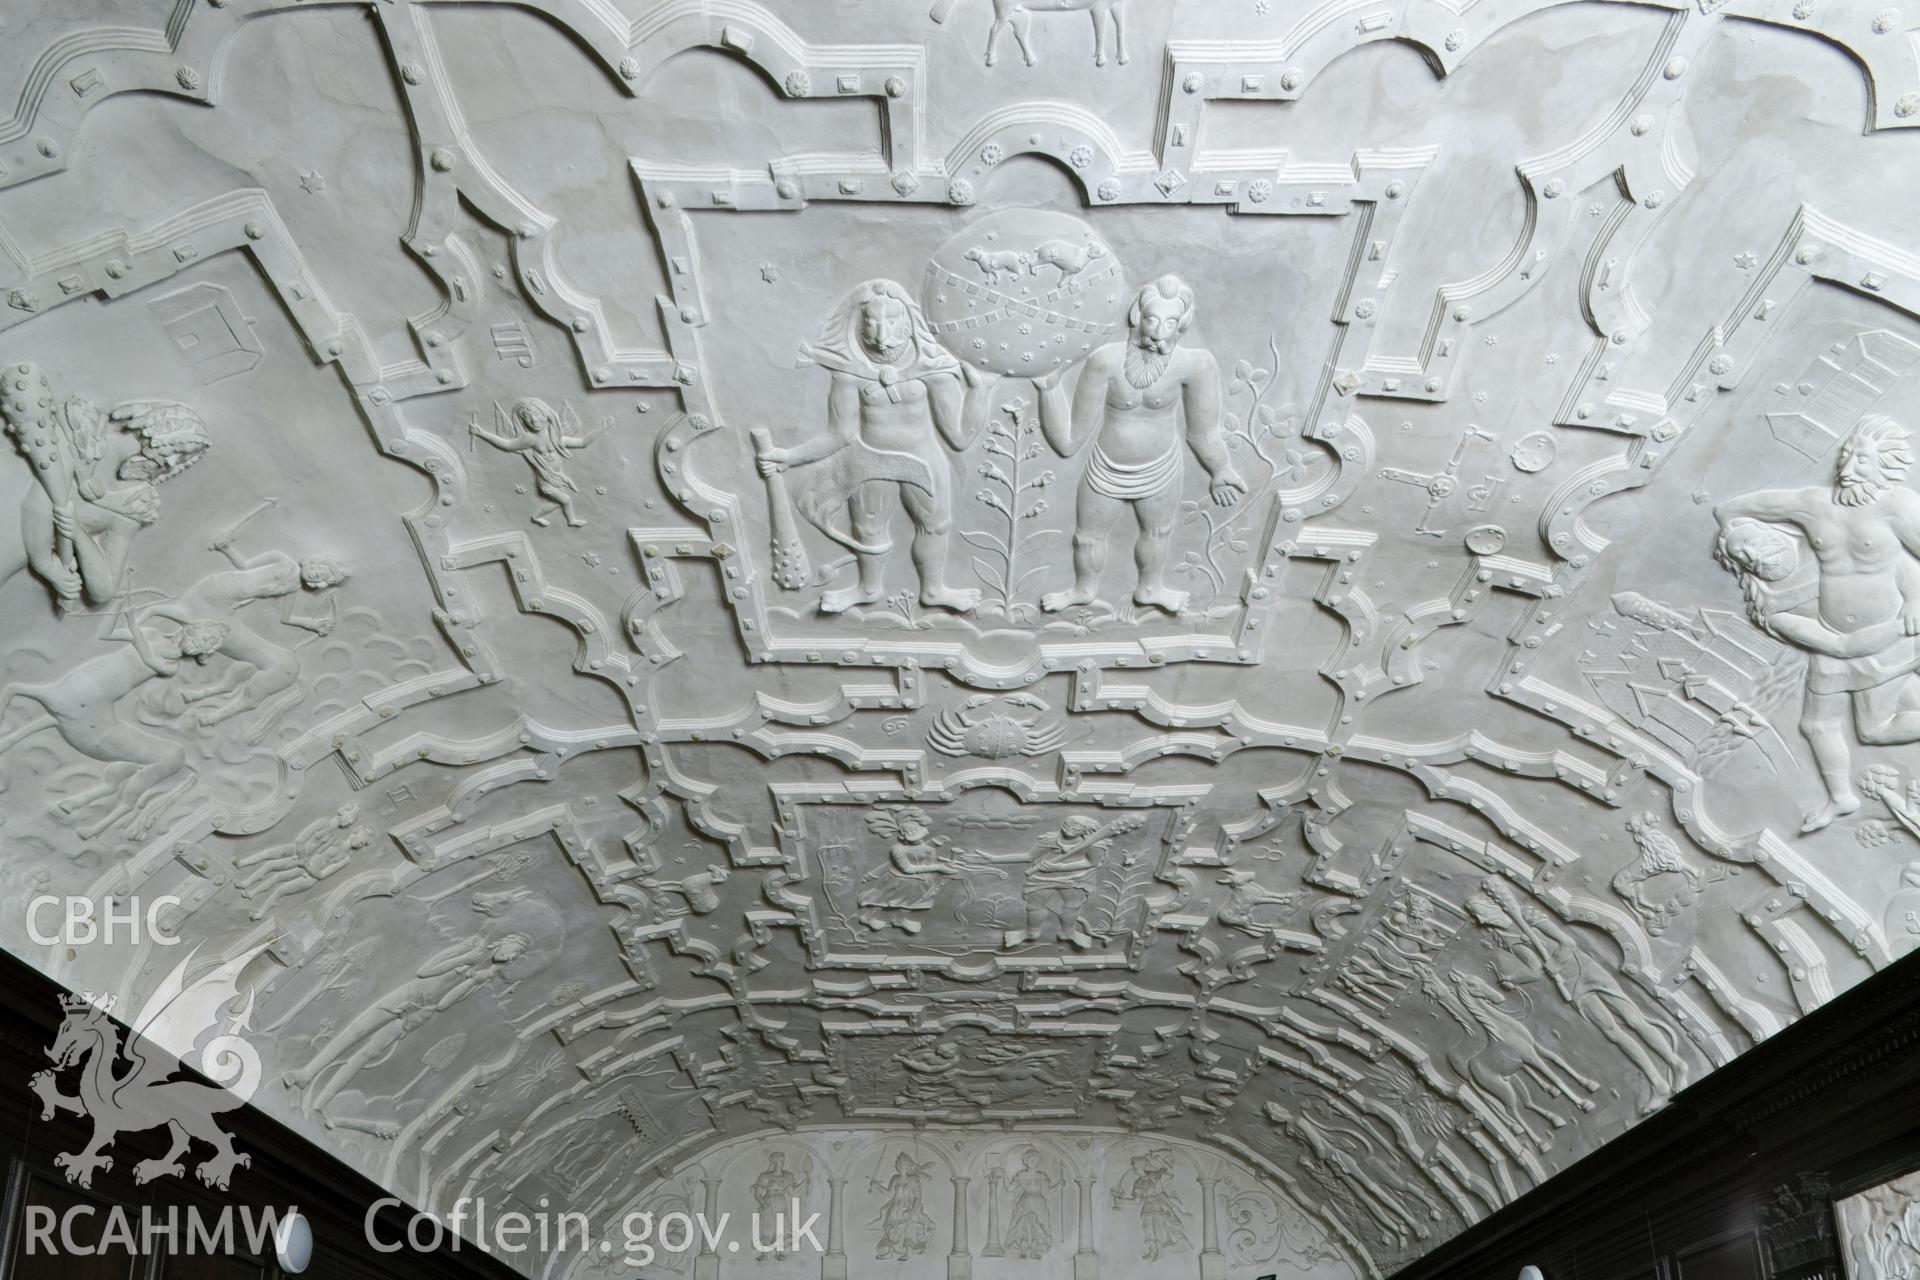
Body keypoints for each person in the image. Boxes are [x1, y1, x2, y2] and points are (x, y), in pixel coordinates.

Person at [1714, 417, 1920, 830]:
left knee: (1876, 727)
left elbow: (1904, 560)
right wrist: (1739, 534)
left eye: (1862, 459)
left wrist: (1914, 598)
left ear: (1886, 463)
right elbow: (1727, 508)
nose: (1848, 468)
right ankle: (1842, 798)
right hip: (1838, 636)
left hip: (1895, 630)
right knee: (1822, 724)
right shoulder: (1812, 505)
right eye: (1846, 456)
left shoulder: (1897, 506)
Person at [757, 280, 988, 614]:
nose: (882, 335)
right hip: (869, 458)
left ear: (909, 322)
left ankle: (934, 590)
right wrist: (789, 457)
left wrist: (979, 392)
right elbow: (840, 434)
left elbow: (960, 436)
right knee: (868, 528)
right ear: (859, 326)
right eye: (872, 323)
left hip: (922, 457)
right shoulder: (849, 373)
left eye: (892, 322)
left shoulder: (934, 369)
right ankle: (867, 588)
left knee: (935, 526)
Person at [1035, 275, 1244, 613]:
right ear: (1137, 316)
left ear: (1182, 324)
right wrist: (1049, 392)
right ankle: (1083, 589)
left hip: (1162, 466)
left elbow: (1202, 431)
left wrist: (1221, 469)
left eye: (1170, 321)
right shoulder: (1105, 360)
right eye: (1152, 319)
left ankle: (1150, 588)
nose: (1159, 329)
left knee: (1158, 533)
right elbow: (1070, 439)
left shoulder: (1195, 364)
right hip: (1106, 465)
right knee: (1086, 537)